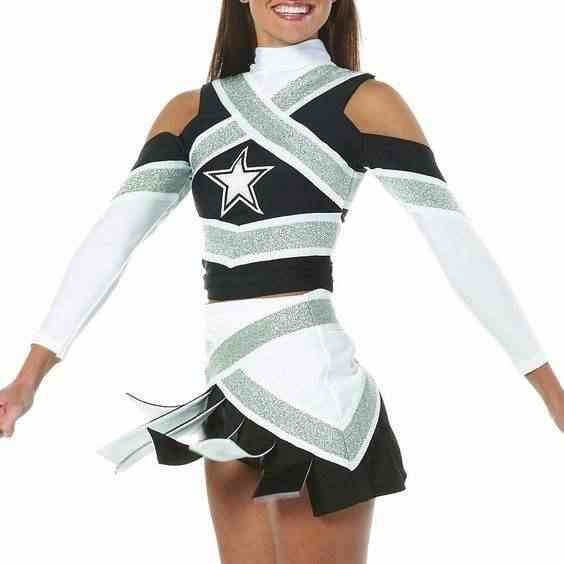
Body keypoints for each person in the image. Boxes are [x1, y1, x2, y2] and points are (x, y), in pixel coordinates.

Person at [1, 1, 562, 563]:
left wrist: (549, 390)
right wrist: (28, 379)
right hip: (229, 396)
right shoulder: (189, 111)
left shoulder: (367, 102)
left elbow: (459, 248)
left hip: (320, 404)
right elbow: (110, 242)